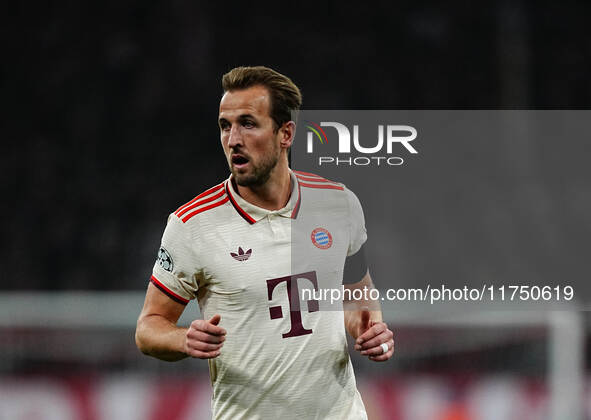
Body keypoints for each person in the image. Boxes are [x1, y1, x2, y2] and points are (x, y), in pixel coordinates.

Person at [135, 66, 394, 419]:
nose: (233, 139)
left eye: (248, 123)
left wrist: (368, 327)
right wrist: (183, 339)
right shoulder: (192, 225)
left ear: (285, 134)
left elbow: (357, 289)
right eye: (225, 126)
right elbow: (148, 328)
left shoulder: (338, 204)